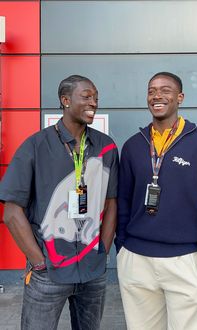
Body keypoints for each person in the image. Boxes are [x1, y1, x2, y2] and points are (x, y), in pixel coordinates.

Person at [0, 74, 119, 330]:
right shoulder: (36, 146)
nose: (93, 102)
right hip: (48, 272)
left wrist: (103, 252)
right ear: (65, 100)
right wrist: (38, 260)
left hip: (92, 271)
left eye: (96, 97)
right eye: (86, 96)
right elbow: (11, 212)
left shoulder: (106, 147)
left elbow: (111, 204)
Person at [115, 72, 197, 330]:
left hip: (186, 260)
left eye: (165, 90)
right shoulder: (133, 145)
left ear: (180, 98)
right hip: (136, 260)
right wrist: (122, 247)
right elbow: (123, 199)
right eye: (152, 90)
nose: (157, 95)